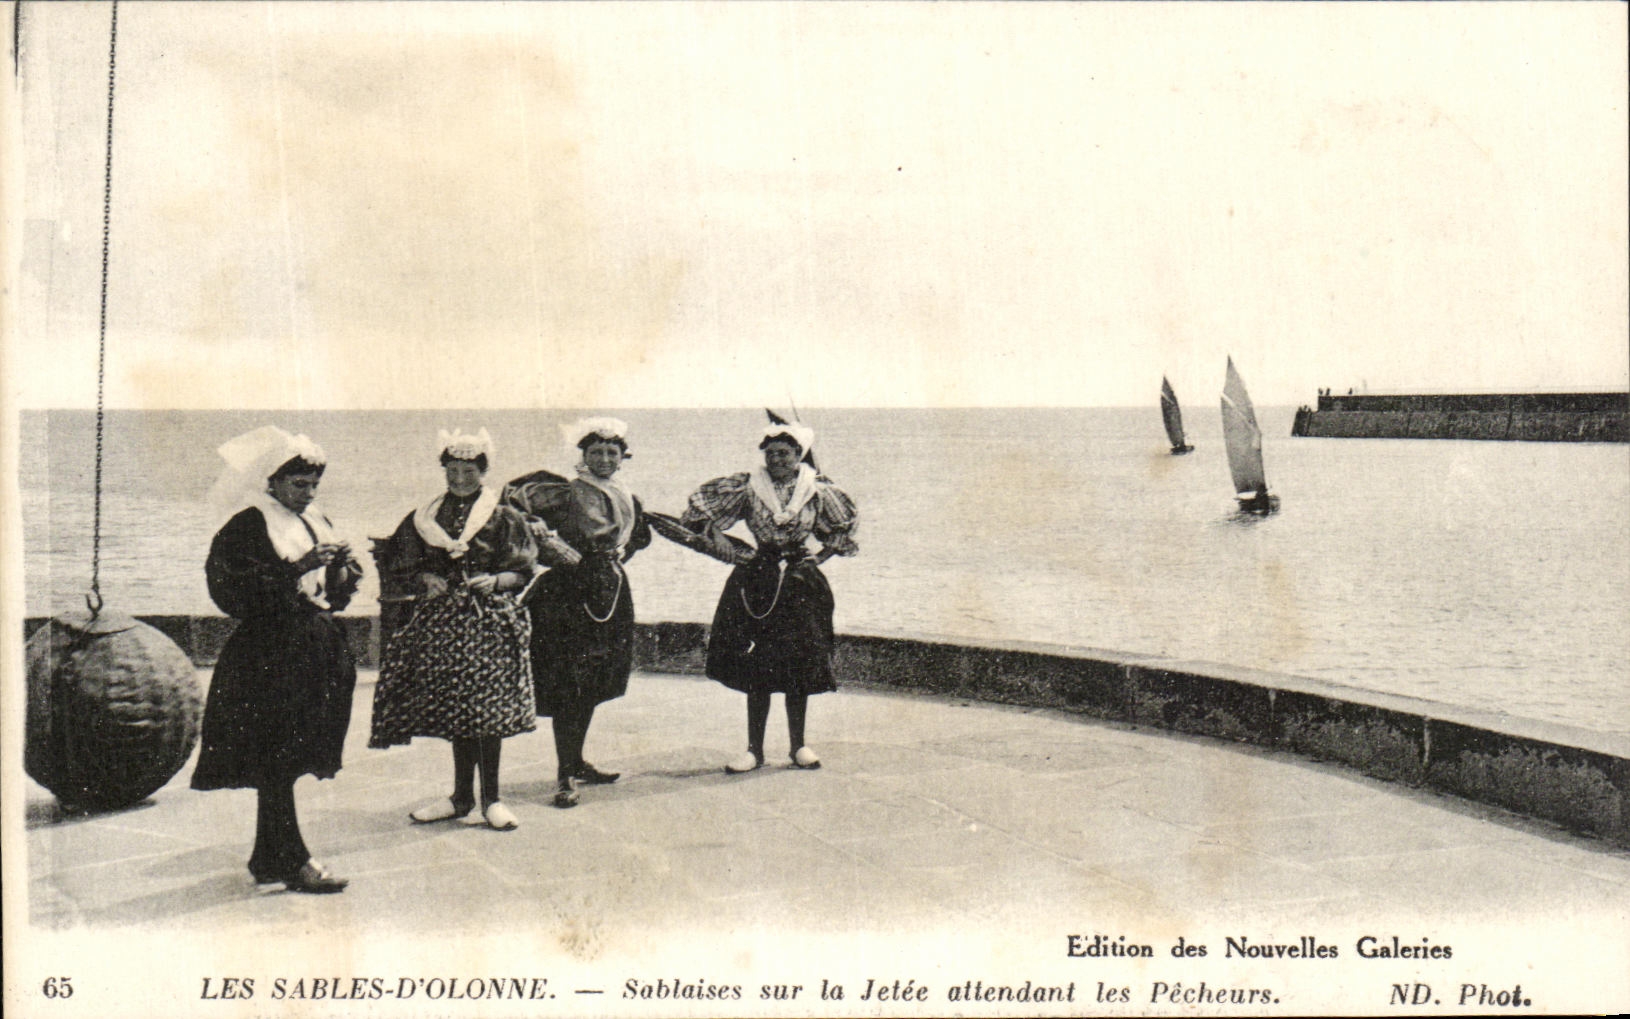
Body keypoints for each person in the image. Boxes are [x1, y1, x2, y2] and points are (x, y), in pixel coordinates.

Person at [193, 427, 362, 893]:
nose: (307, 494)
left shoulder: (314, 519)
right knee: (278, 758)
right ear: (272, 481)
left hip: (311, 652)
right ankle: (294, 859)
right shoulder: (248, 523)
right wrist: (299, 567)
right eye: (297, 485)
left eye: (312, 485)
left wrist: (340, 568)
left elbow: (337, 595)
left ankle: (267, 857)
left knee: (285, 759)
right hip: (268, 657)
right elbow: (233, 590)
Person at [368, 429, 538, 831]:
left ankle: (491, 799)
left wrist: (497, 581)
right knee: (457, 712)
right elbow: (397, 562)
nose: (460, 478)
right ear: (444, 470)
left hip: (489, 621)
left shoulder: (503, 514)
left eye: (468, 471)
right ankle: (461, 797)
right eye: (453, 470)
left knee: (487, 713)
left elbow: (524, 569)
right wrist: (425, 577)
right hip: (442, 624)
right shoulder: (426, 516)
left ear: (483, 471)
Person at [681, 423, 858, 773]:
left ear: (798, 456)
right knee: (758, 664)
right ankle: (754, 750)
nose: (777, 459)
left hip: (800, 582)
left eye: (785, 453)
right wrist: (720, 543)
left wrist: (818, 557)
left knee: (800, 663)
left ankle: (798, 745)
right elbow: (699, 514)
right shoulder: (748, 487)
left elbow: (844, 527)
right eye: (771, 452)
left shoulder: (817, 490)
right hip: (757, 578)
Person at [504, 417, 652, 808]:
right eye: (596, 452)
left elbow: (638, 538)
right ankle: (564, 774)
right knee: (569, 684)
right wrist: (550, 545)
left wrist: (613, 559)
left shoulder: (626, 496)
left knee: (591, 684)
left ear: (622, 458)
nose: (604, 458)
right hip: (567, 597)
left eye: (611, 452)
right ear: (583, 456)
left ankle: (577, 760)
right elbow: (513, 507)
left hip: (610, 595)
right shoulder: (565, 492)